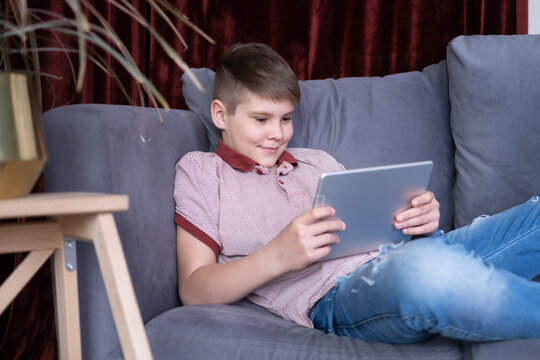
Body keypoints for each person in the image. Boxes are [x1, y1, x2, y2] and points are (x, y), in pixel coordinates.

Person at [173, 42, 540, 343]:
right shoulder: (202, 171)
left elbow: (377, 229)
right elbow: (193, 288)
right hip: (338, 297)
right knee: (429, 270)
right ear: (221, 115)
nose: (277, 133)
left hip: (407, 257)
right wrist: (278, 256)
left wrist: (418, 223)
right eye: (261, 119)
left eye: (286, 118)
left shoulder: (316, 160)